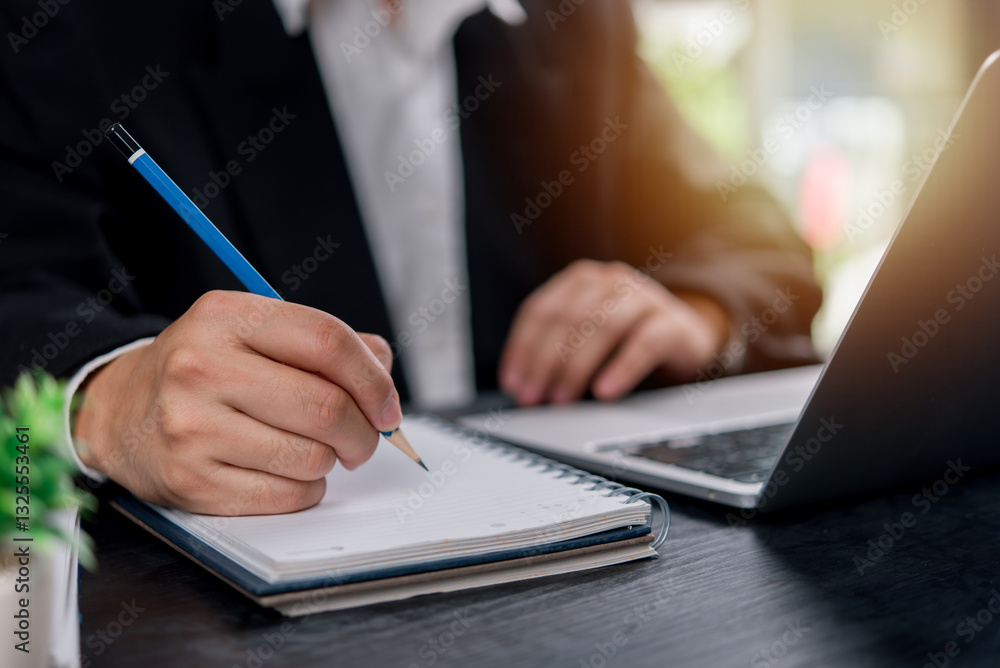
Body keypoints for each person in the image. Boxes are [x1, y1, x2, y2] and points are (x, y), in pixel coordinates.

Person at [0, 0, 821, 515]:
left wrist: (696, 311)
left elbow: (753, 240)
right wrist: (104, 404)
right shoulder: (71, 29)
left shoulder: (572, 21)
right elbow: (19, 295)